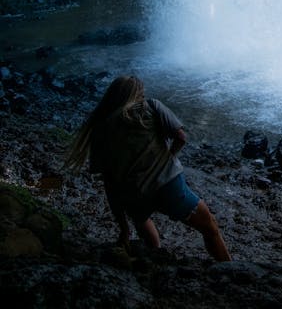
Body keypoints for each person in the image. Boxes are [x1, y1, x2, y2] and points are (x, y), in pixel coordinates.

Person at [65, 75, 231, 261]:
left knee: (142, 221)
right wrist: (169, 156)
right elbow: (181, 137)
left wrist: (123, 228)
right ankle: (229, 271)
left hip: (133, 195)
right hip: (168, 185)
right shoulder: (150, 106)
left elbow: (109, 182)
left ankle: (154, 260)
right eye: (141, 93)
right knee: (210, 228)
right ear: (137, 95)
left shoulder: (100, 130)